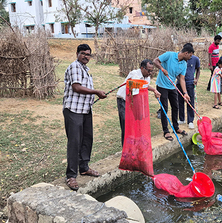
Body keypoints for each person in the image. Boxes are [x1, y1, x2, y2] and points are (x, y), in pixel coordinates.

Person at [63, 44, 107, 191]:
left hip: (85, 110)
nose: (86, 56)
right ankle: (71, 175)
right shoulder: (75, 66)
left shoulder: (86, 70)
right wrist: (96, 92)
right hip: (73, 110)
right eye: (83, 53)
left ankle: (84, 167)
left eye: (88, 54)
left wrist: (95, 94)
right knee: (74, 142)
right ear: (77, 54)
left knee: (87, 139)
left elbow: (84, 89)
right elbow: (76, 87)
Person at [153, 44, 194, 141]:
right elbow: (155, 61)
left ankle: (176, 127)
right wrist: (162, 69)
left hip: (172, 86)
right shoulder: (169, 55)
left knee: (176, 107)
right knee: (164, 108)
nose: (190, 58)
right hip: (162, 86)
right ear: (186, 53)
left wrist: (185, 93)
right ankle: (166, 131)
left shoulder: (184, 64)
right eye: (190, 56)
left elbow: (182, 79)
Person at [116, 59, 161, 146]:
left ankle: (134, 145)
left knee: (136, 122)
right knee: (126, 124)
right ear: (142, 68)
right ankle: (126, 148)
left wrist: (154, 90)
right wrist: (152, 89)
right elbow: (139, 84)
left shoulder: (147, 77)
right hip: (124, 100)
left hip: (134, 101)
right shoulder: (134, 74)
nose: (150, 73)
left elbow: (145, 85)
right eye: (148, 70)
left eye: (152, 71)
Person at [176, 43, 200, 129]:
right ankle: (182, 119)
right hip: (179, 83)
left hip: (190, 83)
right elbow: (175, 71)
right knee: (180, 101)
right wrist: (179, 79)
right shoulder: (179, 58)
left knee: (190, 101)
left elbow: (198, 70)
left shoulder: (195, 59)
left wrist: (196, 79)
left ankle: (190, 121)